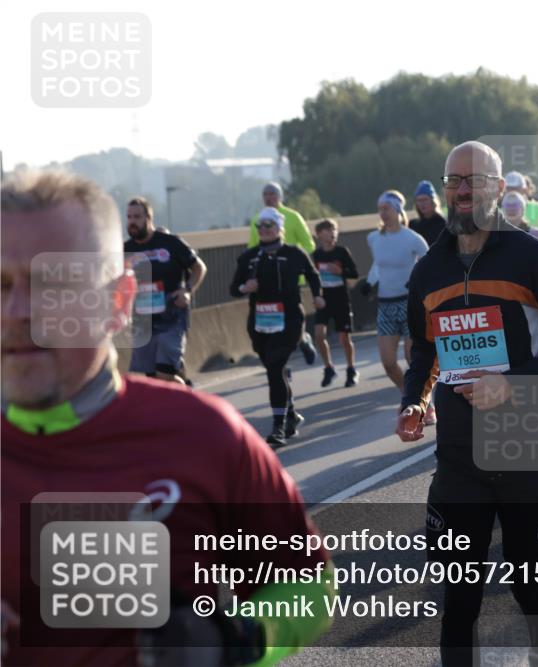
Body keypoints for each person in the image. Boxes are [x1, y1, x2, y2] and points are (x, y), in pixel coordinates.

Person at [2, 170, 335, 666]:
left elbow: (310, 585)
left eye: (53, 281)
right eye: (0, 283)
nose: (17, 310)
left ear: (118, 302)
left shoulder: (204, 434)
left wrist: (240, 640)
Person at [397, 140, 538, 667]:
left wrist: (513, 385)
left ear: (500, 187)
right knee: (458, 596)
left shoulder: (534, 255)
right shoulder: (428, 269)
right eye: (453, 180)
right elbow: (423, 351)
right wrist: (414, 401)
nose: (463, 191)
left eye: (475, 180)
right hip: (458, 455)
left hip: (525, 446)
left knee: (527, 580)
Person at [231, 207, 324, 447]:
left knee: (274, 368)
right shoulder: (249, 257)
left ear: (279, 228)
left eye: (268, 225)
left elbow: (313, 275)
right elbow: (233, 288)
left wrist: (317, 296)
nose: (263, 230)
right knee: (275, 370)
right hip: (260, 323)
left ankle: (278, 428)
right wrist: (245, 288)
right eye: (259, 226)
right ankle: (291, 415)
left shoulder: (294, 253)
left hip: (290, 319)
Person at [123, 197, 206, 384]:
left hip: (172, 317)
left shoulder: (170, 243)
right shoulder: (125, 250)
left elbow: (199, 267)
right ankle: (186, 400)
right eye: (129, 217)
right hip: (143, 321)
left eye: (136, 216)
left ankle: (190, 404)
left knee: (165, 372)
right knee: (154, 380)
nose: (132, 221)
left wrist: (187, 290)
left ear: (148, 218)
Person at [367, 190, 433, 420]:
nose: (382, 213)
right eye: (380, 209)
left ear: (397, 209)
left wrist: (417, 280)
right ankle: (411, 397)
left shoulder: (412, 238)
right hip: (385, 304)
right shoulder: (373, 238)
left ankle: (424, 403)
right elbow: (378, 265)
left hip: (409, 303)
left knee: (412, 358)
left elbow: (428, 262)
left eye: (386, 208)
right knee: (388, 362)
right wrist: (369, 283)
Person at [248, 181, 318, 365]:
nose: (269, 197)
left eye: (272, 194)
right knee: (274, 326)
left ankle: (302, 339)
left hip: (293, 278)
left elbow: (309, 244)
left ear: (280, 197)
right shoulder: (258, 220)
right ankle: (280, 366)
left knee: (292, 319)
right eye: (266, 194)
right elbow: (252, 248)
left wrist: (292, 259)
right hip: (266, 279)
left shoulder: (293, 217)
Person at [312, 218, 360, 387]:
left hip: (341, 299)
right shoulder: (316, 255)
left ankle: (351, 369)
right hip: (324, 300)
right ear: (319, 235)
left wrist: (341, 271)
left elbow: (354, 273)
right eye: (327, 230)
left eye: (334, 230)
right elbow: (313, 278)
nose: (332, 233)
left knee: (344, 338)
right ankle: (328, 367)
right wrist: (315, 296)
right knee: (318, 335)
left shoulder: (342, 252)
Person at [504, 171, 538, 239]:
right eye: (509, 189)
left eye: (516, 189)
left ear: (525, 190)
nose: (513, 193)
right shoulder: (498, 212)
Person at [409, 180, 447, 247]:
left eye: (425, 199)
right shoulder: (412, 225)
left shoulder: (443, 225)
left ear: (433, 201)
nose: (422, 204)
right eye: (419, 200)